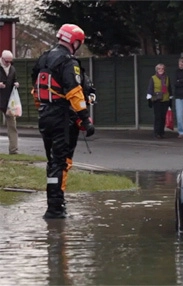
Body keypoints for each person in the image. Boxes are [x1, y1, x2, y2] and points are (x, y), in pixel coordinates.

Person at [31, 23, 95, 219]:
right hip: (61, 116)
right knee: (61, 162)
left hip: (44, 115)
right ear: (74, 42)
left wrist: (43, 109)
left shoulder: (43, 58)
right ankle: (56, 207)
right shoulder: (69, 62)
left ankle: (55, 202)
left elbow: (36, 88)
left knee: (53, 162)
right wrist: (85, 119)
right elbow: (74, 93)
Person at [0, 50, 20, 154]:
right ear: (2, 59)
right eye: (6, 61)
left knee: (12, 125)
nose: (8, 63)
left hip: (8, 102)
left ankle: (13, 150)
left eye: (10, 61)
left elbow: (15, 80)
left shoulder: (12, 69)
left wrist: (16, 83)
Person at [146, 63, 172, 138]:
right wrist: (149, 99)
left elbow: (169, 88)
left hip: (165, 99)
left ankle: (161, 132)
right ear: (156, 70)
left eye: (162, 69)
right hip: (157, 99)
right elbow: (150, 88)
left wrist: (170, 99)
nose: (161, 70)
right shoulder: (153, 78)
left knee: (163, 117)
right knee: (158, 116)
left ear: (164, 70)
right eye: (159, 69)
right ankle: (156, 132)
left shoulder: (167, 78)